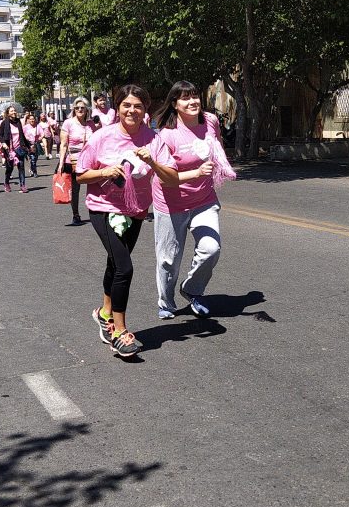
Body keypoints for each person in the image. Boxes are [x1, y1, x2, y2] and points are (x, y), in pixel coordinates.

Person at [79, 85, 172, 358]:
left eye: (138, 106)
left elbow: (169, 176)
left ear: (146, 110)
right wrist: (105, 171)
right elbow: (80, 173)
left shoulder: (153, 139)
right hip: (103, 208)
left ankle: (105, 313)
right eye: (127, 105)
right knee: (124, 267)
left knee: (115, 264)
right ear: (117, 107)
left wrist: (153, 162)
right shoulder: (101, 137)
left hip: (136, 210)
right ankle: (119, 331)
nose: (132, 110)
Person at [151, 81, 238, 320]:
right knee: (169, 259)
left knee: (211, 248)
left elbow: (217, 143)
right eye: (185, 98)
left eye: (195, 96)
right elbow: (166, 178)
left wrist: (220, 165)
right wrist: (197, 173)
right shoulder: (167, 135)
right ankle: (166, 303)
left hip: (204, 199)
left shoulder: (210, 120)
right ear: (174, 104)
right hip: (171, 203)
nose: (192, 102)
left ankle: (192, 290)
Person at [57, 97, 95, 225]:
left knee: (94, 185)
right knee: (75, 189)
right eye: (77, 107)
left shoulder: (90, 124)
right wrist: (61, 163)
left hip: (89, 160)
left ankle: (96, 212)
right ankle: (76, 214)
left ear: (86, 110)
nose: (79, 110)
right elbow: (63, 144)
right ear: (74, 109)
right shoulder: (68, 123)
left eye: (82, 108)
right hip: (73, 160)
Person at [0, 105, 31, 193]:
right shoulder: (4, 123)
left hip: (19, 148)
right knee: (10, 168)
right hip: (9, 149)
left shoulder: (18, 122)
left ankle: (22, 185)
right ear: (8, 113)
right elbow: (0, 135)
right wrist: (3, 143)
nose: (14, 112)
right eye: (12, 111)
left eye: (14, 111)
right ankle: (6, 182)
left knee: (21, 166)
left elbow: (22, 135)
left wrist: (28, 146)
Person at [23, 112, 41, 177]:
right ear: (28, 120)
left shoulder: (38, 126)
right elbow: (22, 135)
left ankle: (31, 168)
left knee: (35, 159)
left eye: (33, 119)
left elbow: (42, 134)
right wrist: (26, 139)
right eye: (30, 119)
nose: (32, 120)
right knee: (32, 158)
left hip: (36, 144)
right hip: (29, 145)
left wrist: (39, 138)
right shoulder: (25, 127)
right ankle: (35, 171)